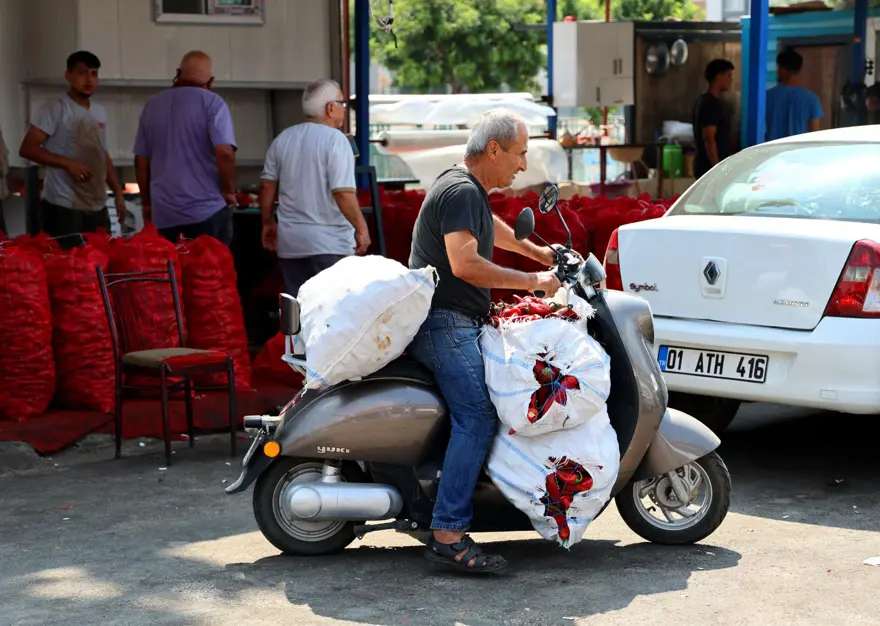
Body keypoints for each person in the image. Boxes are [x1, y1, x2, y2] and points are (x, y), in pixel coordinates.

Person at [407, 110, 564, 574]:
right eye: (519, 154)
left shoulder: (464, 189)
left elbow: (488, 226)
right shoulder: (459, 190)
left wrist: (541, 251)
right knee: (477, 416)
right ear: (493, 149)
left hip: (454, 320)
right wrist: (536, 280)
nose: (522, 166)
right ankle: (448, 533)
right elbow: (466, 265)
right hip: (445, 324)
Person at [259, 78, 370, 296]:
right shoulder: (336, 141)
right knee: (333, 312)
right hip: (331, 245)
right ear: (331, 108)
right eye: (343, 104)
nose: (344, 109)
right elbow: (343, 193)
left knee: (298, 312)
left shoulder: (283, 139)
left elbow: (266, 187)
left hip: (291, 244)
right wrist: (361, 228)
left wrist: (267, 222)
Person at [18, 50, 125, 248]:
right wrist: (68, 164)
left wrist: (118, 192)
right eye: (82, 73)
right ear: (68, 75)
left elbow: (103, 154)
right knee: (67, 269)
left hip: (97, 206)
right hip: (63, 207)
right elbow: (27, 149)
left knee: (99, 264)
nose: (89, 79)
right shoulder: (55, 108)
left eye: (94, 74)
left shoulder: (99, 112)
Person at [133, 50, 237, 246]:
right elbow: (224, 152)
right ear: (211, 81)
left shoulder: (152, 105)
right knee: (211, 274)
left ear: (178, 72)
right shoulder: (213, 103)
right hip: (207, 213)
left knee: (171, 274)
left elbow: (141, 160)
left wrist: (147, 203)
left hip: (164, 215)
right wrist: (229, 191)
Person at [765, 49, 823, 141]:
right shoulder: (812, 99)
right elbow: (814, 133)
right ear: (799, 69)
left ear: (782, 70)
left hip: (771, 152)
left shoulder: (766, 97)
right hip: (799, 153)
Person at [692, 59, 735, 179]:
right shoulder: (710, 103)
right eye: (728, 75)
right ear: (718, 76)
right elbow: (709, 138)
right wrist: (716, 168)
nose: (730, 80)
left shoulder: (709, 102)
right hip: (708, 168)